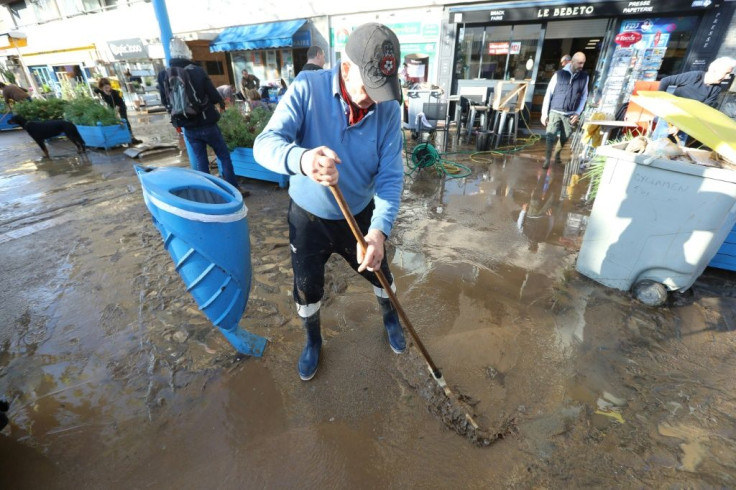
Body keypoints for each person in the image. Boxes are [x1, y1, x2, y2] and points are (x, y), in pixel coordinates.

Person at [254, 22, 405, 381]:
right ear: (346, 68)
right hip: (309, 217)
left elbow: (390, 176)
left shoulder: (386, 108)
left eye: (382, 90)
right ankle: (313, 341)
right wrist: (303, 160)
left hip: (360, 213)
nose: (374, 99)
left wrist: (379, 232)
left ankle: (390, 320)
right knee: (307, 287)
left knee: (380, 272)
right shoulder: (308, 88)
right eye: (369, 87)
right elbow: (264, 144)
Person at [157, 38, 240, 190]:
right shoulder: (197, 71)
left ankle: (208, 192)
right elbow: (215, 97)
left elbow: (165, 102)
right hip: (207, 122)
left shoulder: (163, 75)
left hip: (187, 126)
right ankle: (233, 189)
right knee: (223, 156)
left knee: (201, 160)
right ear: (187, 52)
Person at [651, 56, 736, 145]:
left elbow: (702, 110)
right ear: (715, 70)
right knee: (657, 144)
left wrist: (680, 126)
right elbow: (666, 80)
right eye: (726, 73)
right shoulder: (695, 76)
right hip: (671, 114)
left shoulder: (716, 89)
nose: (727, 77)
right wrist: (660, 100)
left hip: (688, 120)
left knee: (678, 148)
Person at [541, 51, 588, 169]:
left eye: (583, 63)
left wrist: (578, 113)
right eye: (579, 63)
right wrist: (544, 114)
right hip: (555, 111)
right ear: (572, 62)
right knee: (550, 136)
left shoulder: (584, 77)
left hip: (570, 114)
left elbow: (584, 97)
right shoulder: (559, 74)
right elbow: (548, 94)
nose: (581, 66)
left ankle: (556, 155)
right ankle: (547, 159)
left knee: (565, 136)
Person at [94, 78, 142, 144]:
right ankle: (119, 137)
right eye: (104, 87)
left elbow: (118, 104)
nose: (107, 88)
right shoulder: (101, 92)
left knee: (124, 120)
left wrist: (116, 113)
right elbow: (95, 90)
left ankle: (131, 137)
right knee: (113, 121)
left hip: (120, 106)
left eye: (108, 86)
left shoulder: (114, 92)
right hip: (111, 107)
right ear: (101, 87)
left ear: (110, 85)